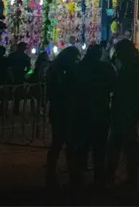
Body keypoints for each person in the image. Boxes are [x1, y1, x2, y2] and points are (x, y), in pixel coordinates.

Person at [69, 44, 116, 189]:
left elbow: (71, 87)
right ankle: (98, 178)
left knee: (81, 146)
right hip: (100, 111)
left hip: (81, 111)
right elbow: (113, 87)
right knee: (99, 148)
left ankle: (77, 178)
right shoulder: (107, 68)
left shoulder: (78, 68)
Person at [106, 39, 139, 187]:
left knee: (127, 142)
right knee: (120, 142)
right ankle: (118, 175)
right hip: (126, 109)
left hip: (127, 109)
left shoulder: (132, 68)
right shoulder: (135, 67)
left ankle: (128, 176)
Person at [45, 46, 81, 189]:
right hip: (65, 109)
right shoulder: (65, 71)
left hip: (58, 109)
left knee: (58, 143)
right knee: (68, 144)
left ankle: (52, 174)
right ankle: (71, 176)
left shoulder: (55, 69)